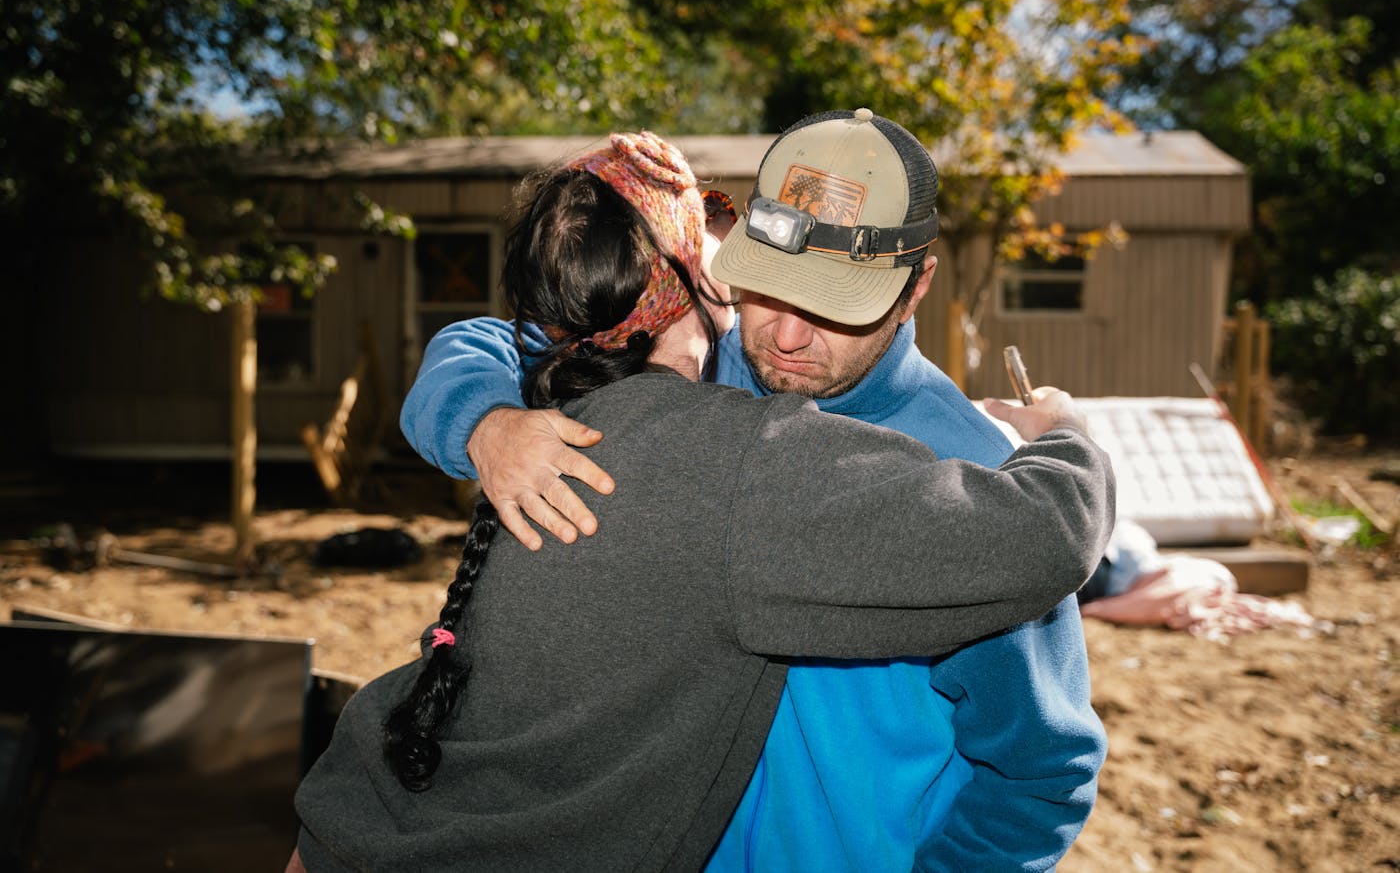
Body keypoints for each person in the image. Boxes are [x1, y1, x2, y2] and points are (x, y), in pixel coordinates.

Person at [293, 131, 1114, 872]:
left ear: (915, 285)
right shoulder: (700, 369)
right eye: (767, 288)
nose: (786, 338)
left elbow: (1044, 768)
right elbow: (488, 336)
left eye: (832, 307)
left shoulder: (969, 473)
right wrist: (487, 421)